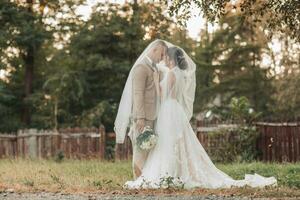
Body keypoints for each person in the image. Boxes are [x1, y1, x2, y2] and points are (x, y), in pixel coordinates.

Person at [122, 40, 278, 189]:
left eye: (166, 57)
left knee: (168, 142)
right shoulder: (180, 74)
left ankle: (168, 173)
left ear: (171, 58)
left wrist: (156, 82)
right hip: (174, 109)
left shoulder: (171, 74)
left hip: (168, 109)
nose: (164, 60)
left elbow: (163, 97)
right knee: (175, 143)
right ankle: (175, 172)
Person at [114, 39, 167, 179]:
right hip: (143, 117)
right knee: (140, 150)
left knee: (149, 150)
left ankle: (146, 180)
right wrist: (140, 118)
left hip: (154, 116)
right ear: (154, 49)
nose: (162, 59)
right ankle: (138, 181)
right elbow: (137, 94)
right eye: (161, 55)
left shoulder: (154, 68)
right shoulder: (141, 67)